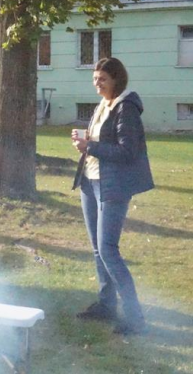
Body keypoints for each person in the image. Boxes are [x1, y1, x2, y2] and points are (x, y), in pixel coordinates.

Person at [71, 57, 154, 336]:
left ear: (117, 80)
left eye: (102, 79)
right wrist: (83, 143)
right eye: (95, 78)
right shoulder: (103, 105)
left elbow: (127, 152)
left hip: (113, 187)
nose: (97, 83)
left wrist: (90, 146)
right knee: (97, 248)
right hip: (91, 183)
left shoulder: (126, 108)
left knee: (108, 250)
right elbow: (98, 142)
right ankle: (107, 305)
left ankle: (135, 318)